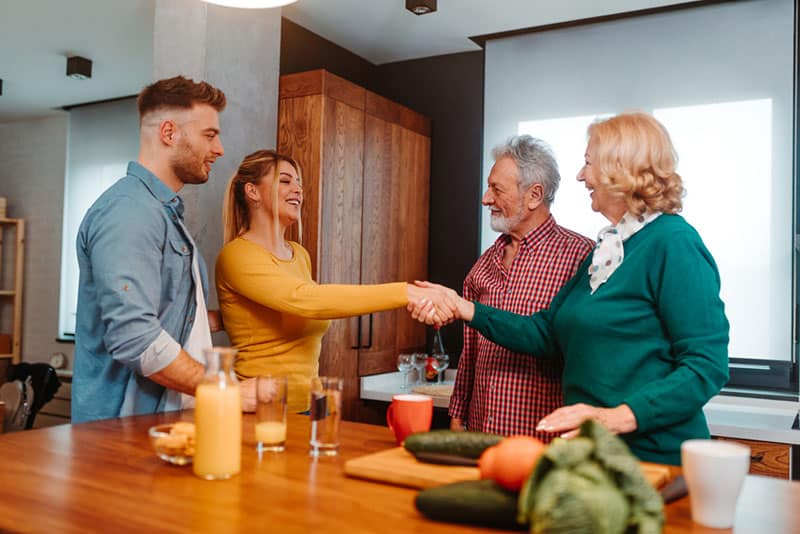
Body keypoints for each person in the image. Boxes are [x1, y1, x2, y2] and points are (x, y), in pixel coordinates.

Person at [415, 112, 729, 465]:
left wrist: (612, 417)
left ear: (620, 169)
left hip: (651, 459)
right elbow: (547, 332)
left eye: (588, 163)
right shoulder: (607, 250)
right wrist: (463, 307)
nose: (581, 176)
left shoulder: (674, 243)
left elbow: (707, 366)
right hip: (592, 455)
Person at [72, 75, 256, 423]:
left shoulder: (162, 212)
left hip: (163, 425)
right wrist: (225, 388)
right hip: (123, 435)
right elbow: (135, 337)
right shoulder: (129, 211)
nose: (220, 149)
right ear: (169, 133)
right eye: (210, 135)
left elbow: (171, 314)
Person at [215, 149, 455, 412]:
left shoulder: (299, 255)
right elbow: (305, 299)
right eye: (285, 181)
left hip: (311, 406)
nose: (297, 190)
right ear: (253, 191)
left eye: (299, 183)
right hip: (261, 410)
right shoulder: (237, 255)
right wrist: (406, 292)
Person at [449, 135, 593, 439]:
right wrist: (458, 414)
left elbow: (586, 355)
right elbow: (470, 353)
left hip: (546, 444)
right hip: (480, 438)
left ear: (534, 195)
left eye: (496, 189)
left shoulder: (581, 257)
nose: (485, 198)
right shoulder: (483, 265)